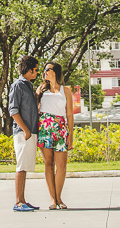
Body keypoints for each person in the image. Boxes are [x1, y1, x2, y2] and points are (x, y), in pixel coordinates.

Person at [36, 60, 73, 209]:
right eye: (45, 70)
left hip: (60, 128)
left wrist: (70, 134)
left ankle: (59, 198)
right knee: (48, 163)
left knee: (62, 165)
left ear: (56, 72)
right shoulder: (41, 90)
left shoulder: (66, 91)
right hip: (45, 127)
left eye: (48, 69)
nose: (45, 72)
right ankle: (52, 199)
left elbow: (69, 114)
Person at [8, 55, 41, 212]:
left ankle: (23, 200)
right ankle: (18, 203)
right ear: (28, 70)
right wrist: (26, 130)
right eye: (35, 70)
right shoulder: (17, 85)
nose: (36, 73)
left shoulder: (28, 85)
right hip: (23, 132)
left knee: (25, 167)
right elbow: (13, 110)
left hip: (30, 132)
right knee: (21, 166)